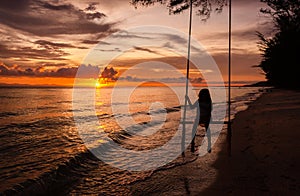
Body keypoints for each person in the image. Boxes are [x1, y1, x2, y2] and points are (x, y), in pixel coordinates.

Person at [186, 88, 212, 153]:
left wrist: (207, 118)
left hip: (206, 117)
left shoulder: (208, 101)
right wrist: (188, 99)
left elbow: (210, 110)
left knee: (207, 130)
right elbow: (192, 107)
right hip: (199, 117)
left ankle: (209, 145)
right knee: (194, 130)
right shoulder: (199, 101)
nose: (203, 95)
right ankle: (192, 144)